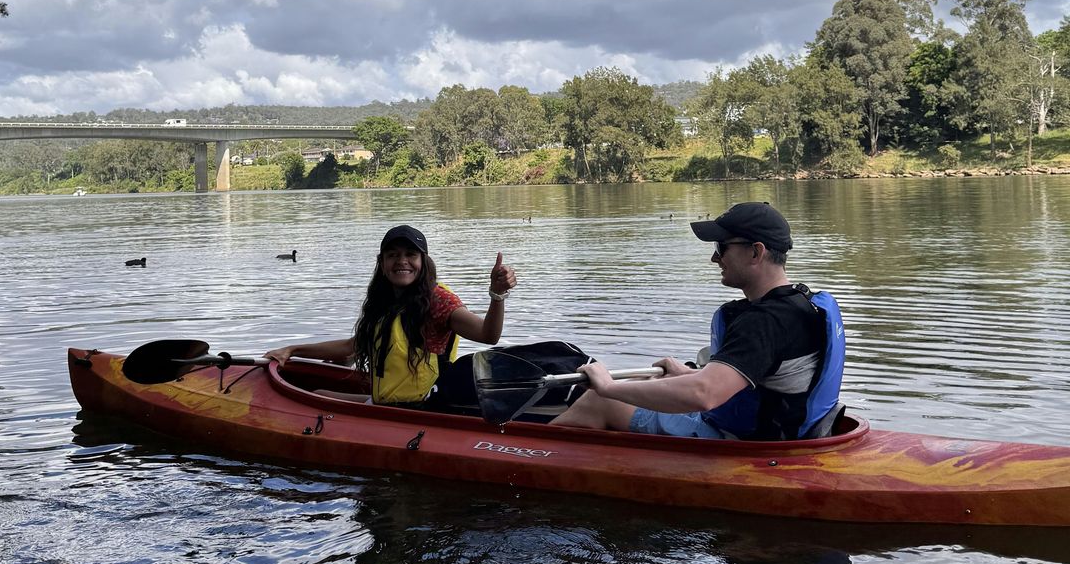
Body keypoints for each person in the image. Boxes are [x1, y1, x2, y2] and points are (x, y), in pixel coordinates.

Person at [552, 202, 844, 441]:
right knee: (656, 379)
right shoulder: (797, 305)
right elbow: (747, 381)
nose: (714, 259)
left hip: (743, 445)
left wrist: (606, 387)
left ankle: (523, 455)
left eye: (722, 247)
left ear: (756, 252)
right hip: (776, 432)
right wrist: (685, 373)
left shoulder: (766, 321)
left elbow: (704, 394)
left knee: (598, 401)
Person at [265, 225, 518, 406]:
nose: (402, 261)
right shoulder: (385, 303)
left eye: (411, 254)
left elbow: (488, 335)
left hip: (423, 407)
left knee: (319, 398)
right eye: (393, 255)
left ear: (423, 262)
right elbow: (354, 346)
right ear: (382, 263)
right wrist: (293, 350)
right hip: (387, 403)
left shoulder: (438, 300)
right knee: (319, 391)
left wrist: (497, 295)